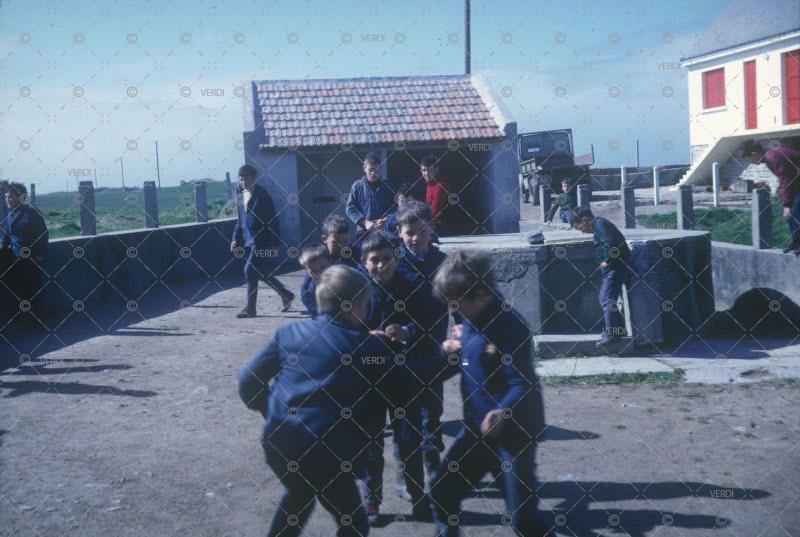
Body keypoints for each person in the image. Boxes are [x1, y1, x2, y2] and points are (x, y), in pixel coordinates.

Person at [238, 265, 393, 537]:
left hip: (281, 442)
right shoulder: (368, 347)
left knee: (299, 495)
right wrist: (448, 355)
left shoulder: (288, 334)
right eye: (365, 302)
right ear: (354, 306)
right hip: (329, 454)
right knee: (354, 523)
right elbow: (410, 380)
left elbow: (247, 382)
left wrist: (274, 411)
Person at [431, 250, 548, 537]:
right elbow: (460, 364)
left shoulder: (510, 326)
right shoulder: (470, 320)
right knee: (443, 491)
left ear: (480, 294)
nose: (451, 309)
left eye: (455, 303)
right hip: (477, 430)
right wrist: (445, 352)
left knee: (522, 518)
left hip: (514, 433)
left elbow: (521, 383)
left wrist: (502, 411)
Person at [357, 231, 435, 525]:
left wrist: (407, 332)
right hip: (367, 380)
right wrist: (366, 336)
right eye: (374, 260)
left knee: (408, 441)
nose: (381, 266)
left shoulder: (413, 286)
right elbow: (340, 329)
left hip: (404, 377)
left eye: (386, 259)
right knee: (370, 445)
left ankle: (418, 496)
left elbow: (429, 325)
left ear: (396, 258)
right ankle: (371, 503)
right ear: (364, 262)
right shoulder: (355, 290)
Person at [392, 200, 451, 481]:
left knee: (433, 407)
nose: (415, 238)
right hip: (400, 351)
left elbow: (457, 297)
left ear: (431, 229)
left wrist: (462, 327)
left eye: (421, 231)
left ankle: (432, 458)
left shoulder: (442, 262)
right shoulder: (391, 263)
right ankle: (405, 470)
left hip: (433, 348)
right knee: (403, 412)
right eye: (409, 232)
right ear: (399, 232)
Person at [231, 165, 294, 318]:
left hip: (261, 240)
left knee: (249, 270)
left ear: (254, 178)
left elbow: (273, 220)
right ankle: (285, 294)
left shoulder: (262, 195)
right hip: (248, 240)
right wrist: (235, 238)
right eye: (240, 179)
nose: (243, 182)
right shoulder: (239, 194)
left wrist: (275, 242)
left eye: (246, 179)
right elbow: (240, 220)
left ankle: (250, 309)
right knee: (258, 272)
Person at [571, 208, 631, 347]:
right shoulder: (598, 225)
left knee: (606, 299)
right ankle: (618, 329)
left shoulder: (600, 225)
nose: (582, 232)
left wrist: (608, 260)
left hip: (615, 267)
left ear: (585, 220)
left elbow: (612, 243)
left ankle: (612, 334)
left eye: (580, 228)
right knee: (607, 299)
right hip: (613, 267)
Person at [741, 140, 800, 253]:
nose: (751, 162)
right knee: (788, 210)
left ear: (754, 154)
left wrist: (787, 205)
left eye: (749, 159)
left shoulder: (772, 157)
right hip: (796, 180)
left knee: (793, 210)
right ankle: (796, 240)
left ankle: (797, 240)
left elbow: (785, 180)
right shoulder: (769, 156)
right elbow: (784, 176)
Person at [1, 182, 49, 322]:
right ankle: (24, 320)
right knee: (19, 291)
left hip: (33, 259)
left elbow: (43, 234)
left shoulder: (31, 214)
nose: (7, 200)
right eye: (6, 197)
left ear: (20, 197)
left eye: (11, 197)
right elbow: (7, 237)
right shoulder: (10, 216)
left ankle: (41, 321)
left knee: (34, 290)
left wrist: (40, 254)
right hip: (15, 260)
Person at [345, 153, 396, 237]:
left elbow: (396, 206)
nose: (373, 173)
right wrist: (365, 222)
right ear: (364, 168)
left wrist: (386, 219)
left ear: (380, 169)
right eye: (370, 170)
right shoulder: (357, 186)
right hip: (363, 233)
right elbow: (350, 208)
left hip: (384, 231)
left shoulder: (388, 185)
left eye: (376, 170)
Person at [420, 154, 453, 235]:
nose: (426, 173)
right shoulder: (430, 185)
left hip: (440, 229)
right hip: (432, 226)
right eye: (424, 170)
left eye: (430, 170)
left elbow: (434, 212)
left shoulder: (440, 186)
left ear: (436, 169)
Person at [298, 245, 333, 319]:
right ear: (307, 271)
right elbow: (316, 314)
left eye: (322, 267)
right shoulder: (307, 291)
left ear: (330, 262)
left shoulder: (341, 276)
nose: (320, 273)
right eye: (314, 271)